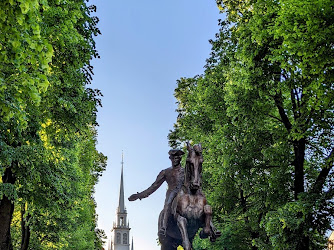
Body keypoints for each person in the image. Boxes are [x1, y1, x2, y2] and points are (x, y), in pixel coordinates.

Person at [128, 149, 185, 236]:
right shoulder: (166, 172)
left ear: (180, 159)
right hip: (172, 193)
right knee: (168, 204)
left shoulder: (185, 171)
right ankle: (164, 227)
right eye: (173, 158)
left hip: (184, 194)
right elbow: (154, 186)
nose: (175, 160)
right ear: (170, 159)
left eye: (177, 158)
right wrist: (138, 195)